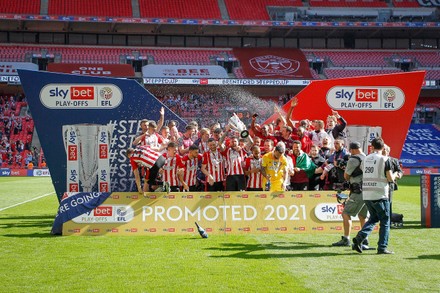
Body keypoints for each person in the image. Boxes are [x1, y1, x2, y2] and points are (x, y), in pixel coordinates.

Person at [352, 138, 397, 255]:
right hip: (380, 193)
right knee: (385, 221)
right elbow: (390, 178)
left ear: (371, 147)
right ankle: (382, 247)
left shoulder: (366, 158)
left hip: (367, 193)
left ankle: (359, 238)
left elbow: (363, 170)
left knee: (373, 218)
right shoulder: (384, 159)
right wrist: (396, 174)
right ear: (383, 148)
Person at [332, 142, 369, 247]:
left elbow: (346, 176)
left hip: (357, 190)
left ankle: (346, 238)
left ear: (352, 150)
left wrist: (343, 168)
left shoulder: (353, 159)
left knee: (346, 213)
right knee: (363, 216)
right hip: (367, 190)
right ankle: (364, 239)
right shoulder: (367, 158)